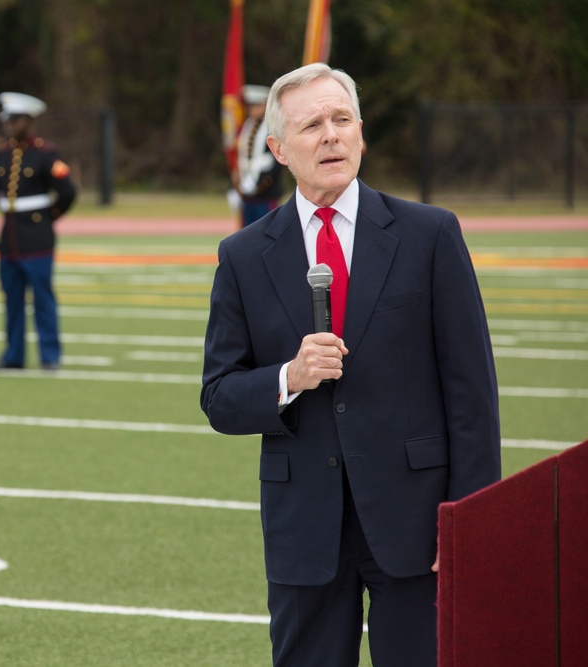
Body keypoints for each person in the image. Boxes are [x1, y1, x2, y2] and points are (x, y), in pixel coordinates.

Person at [200, 63, 501, 667]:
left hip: (417, 524)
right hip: (304, 530)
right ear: (279, 148)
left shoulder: (430, 234)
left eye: (342, 120)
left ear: (362, 134)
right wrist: (290, 376)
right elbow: (220, 397)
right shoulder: (242, 256)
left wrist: (470, 519)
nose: (331, 136)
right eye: (312, 125)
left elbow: (472, 394)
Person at [0, 92, 77, 370]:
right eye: (7, 120)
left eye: (15, 119)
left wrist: (47, 218)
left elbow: (67, 192)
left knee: (42, 298)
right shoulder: (1, 154)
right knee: (12, 300)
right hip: (9, 238)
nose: (9, 125)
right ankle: (14, 354)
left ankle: (50, 355)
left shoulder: (45, 154)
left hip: (37, 237)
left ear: (29, 120)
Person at [232, 84, 283, 227]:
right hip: (247, 192)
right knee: (247, 232)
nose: (252, 110)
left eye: (256, 106)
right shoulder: (248, 126)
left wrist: (260, 186)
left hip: (266, 191)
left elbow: (274, 161)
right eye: (250, 106)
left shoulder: (272, 128)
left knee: (267, 230)